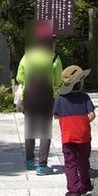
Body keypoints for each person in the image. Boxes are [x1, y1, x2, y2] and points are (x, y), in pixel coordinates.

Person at [15, 21, 62, 175]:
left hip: (29, 97)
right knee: (45, 131)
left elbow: (19, 78)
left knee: (30, 129)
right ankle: (42, 165)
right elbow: (58, 81)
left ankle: (29, 161)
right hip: (46, 98)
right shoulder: (54, 58)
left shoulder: (27, 56)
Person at [52, 64, 95, 196]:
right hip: (83, 137)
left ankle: (74, 194)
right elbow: (92, 115)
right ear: (79, 83)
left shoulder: (60, 99)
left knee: (70, 164)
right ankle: (85, 185)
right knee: (83, 162)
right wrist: (82, 121)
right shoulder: (85, 97)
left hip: (68, 137)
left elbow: (56, 116)